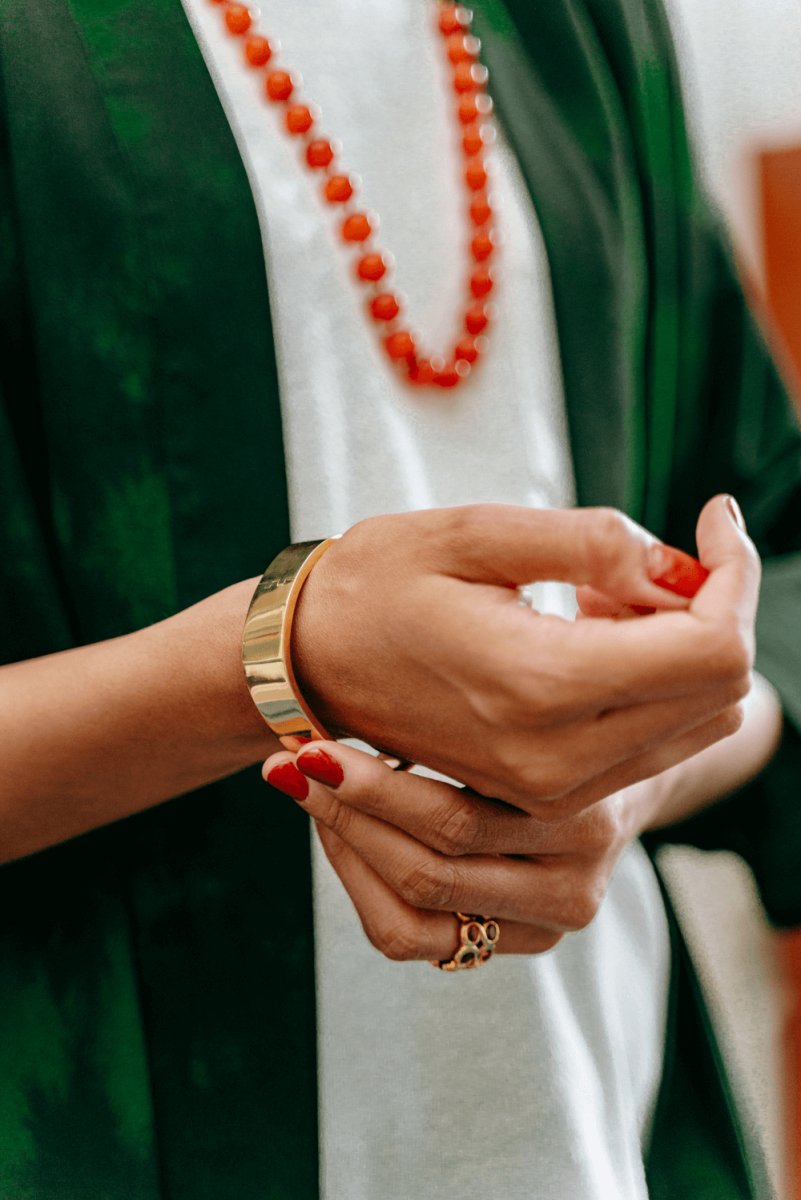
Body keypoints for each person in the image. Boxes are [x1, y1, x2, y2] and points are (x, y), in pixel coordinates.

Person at [0, 0, 798, 1197]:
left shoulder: (580, 24)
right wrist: (281, 653)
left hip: (596, 1136)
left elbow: (774, 559)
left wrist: (626, 771)